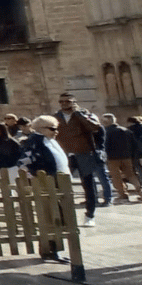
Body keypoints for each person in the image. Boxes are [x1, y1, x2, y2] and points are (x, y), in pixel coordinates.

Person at [53, 93, 105, 225]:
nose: (64, 103)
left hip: (83, 152)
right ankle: (63, 216)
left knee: (88, 185)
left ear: (74, 102)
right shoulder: (56, 117)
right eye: (62, 101)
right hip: (64, 154)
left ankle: (90, 215)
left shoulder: (84, 114)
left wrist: (79, 115)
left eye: (67, 101)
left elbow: (95, 127)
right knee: (59, 184)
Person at [101, 114, 141, 203]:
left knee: (116, 177)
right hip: (127, 157)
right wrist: (133, 156)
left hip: (112, 158)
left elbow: (105, 146)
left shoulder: (106, 131)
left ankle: (123, 195)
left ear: (106, 122)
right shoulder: (126, 130)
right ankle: (140, 192)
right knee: (131, 175)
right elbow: (135, 145)